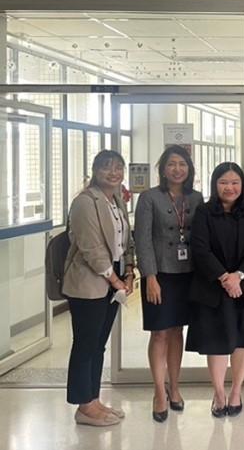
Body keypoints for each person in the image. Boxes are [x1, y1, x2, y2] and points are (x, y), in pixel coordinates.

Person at [186, 162, 244, 418]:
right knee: (216, 343)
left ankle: (236, 391)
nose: (229, 187)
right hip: (212, 288)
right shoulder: (203, 212)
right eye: (223, 182)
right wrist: (225, 277)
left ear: (242, 185)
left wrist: (239, 276)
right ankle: (218, 393)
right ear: (215, 184)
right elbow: (200, 249)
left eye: (235, 182)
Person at [63, 150, 135, 427]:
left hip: (112, 279)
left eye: (118, 167)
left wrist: (129, 272)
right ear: (95, 170)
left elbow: (125, 240)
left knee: (98, 344)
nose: (113, 172)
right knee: (86, 344)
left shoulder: (116, 200)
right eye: (106, 167)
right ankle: (83, 406)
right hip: (89, 282)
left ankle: (93, 399)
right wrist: (115, 280)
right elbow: (91, 247)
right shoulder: (85, 202)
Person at [134, 145, 203, 422]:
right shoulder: (149, 198)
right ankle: (158, 392)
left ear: (189, 169)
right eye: (172, 164)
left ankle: (175, 387)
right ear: (163, 169)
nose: (177, 169)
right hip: (159, 275)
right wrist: (149, 276)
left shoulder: (196, 198)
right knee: (160, 333)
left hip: (187, 274)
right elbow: (142, 240)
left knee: (177, 331)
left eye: (182, 164)